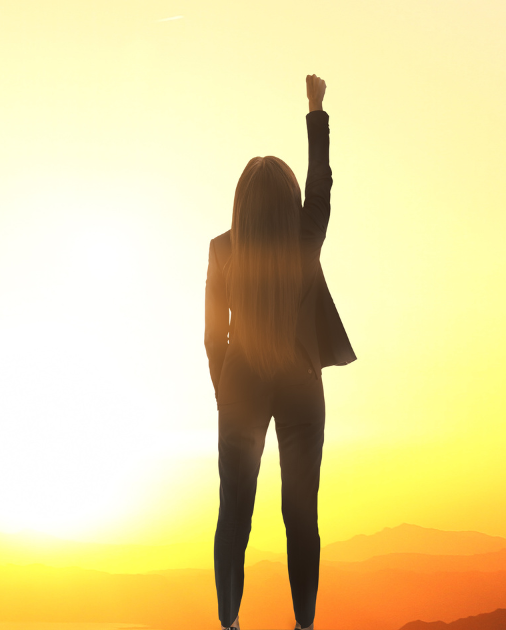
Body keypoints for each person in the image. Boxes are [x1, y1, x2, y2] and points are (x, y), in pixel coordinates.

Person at [204, 74, 356, 630]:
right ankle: (304, 625)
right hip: (300, 384)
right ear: (287, 203)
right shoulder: (304, 237)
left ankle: (229, 623)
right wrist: (316, 111)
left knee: (233, 517)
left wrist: (227, 388)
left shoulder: (222, 251)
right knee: (301, 515)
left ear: (242, 204)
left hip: (240, 384)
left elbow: (209, 335)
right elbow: (321, 184)